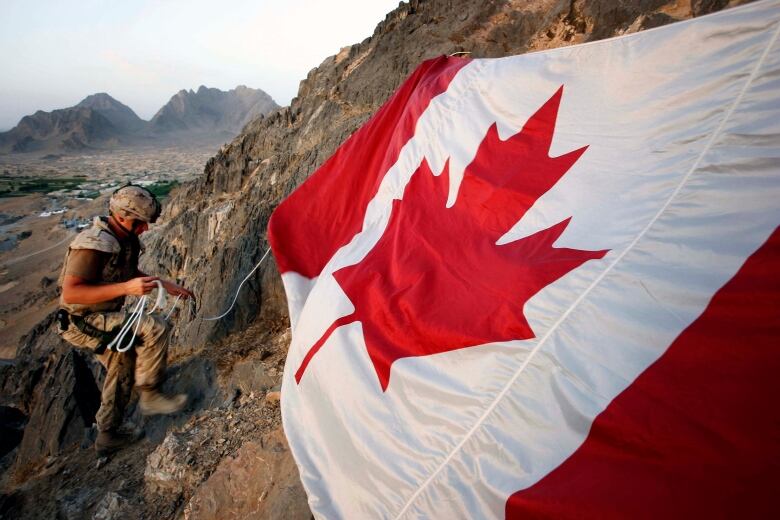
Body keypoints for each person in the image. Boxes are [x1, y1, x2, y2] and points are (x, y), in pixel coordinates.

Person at [56, 184, 194, 457]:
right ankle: (150, 395)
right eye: (139, 223)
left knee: (123, 363)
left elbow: (127, 271)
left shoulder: (123, 238)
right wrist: (125, 290)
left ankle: (107, 435)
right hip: (83, 320)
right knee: (154, 327)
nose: (144, 229)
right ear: (121, 217)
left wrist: (162, 284)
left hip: (100, 316)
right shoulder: (92, 244)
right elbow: (72, 292)